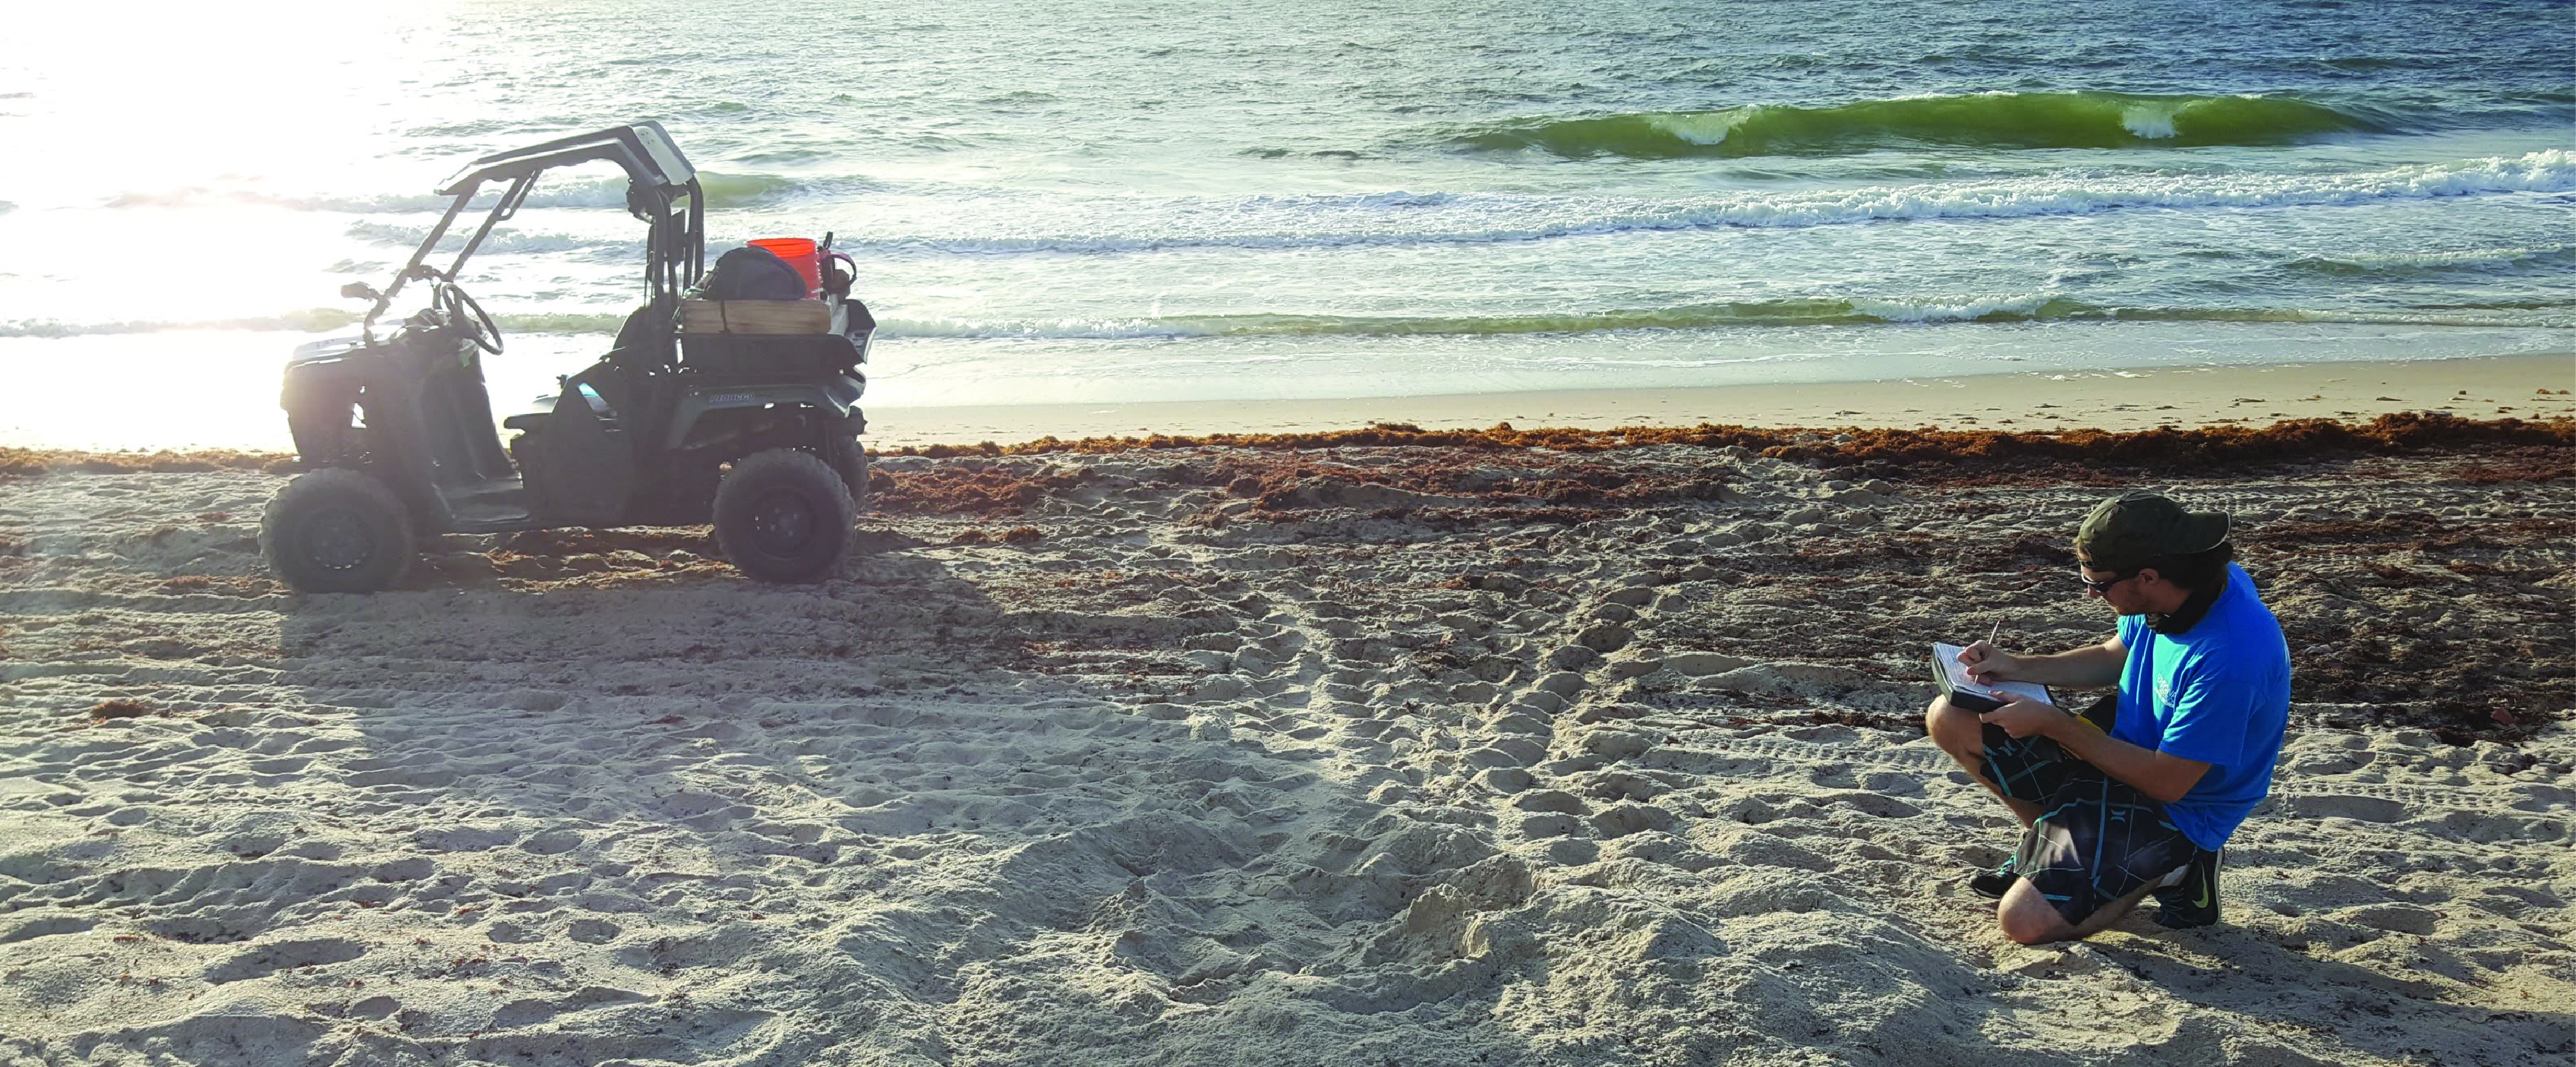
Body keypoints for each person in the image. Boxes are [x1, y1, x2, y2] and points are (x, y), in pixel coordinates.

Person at [1923, 490, 2291, 945]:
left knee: (2023, 922)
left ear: (2148, 576)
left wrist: (2055, 724)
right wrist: (2016, 665)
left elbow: (2169, 783)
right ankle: (2049, 846)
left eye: (2098, 585)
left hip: (2178, 809)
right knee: (1952, 715)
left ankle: (2182, 868)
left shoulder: (2233, 657)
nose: (2093, 595)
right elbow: (2114, 654)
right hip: (2116, 756)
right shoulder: (2178, 591)